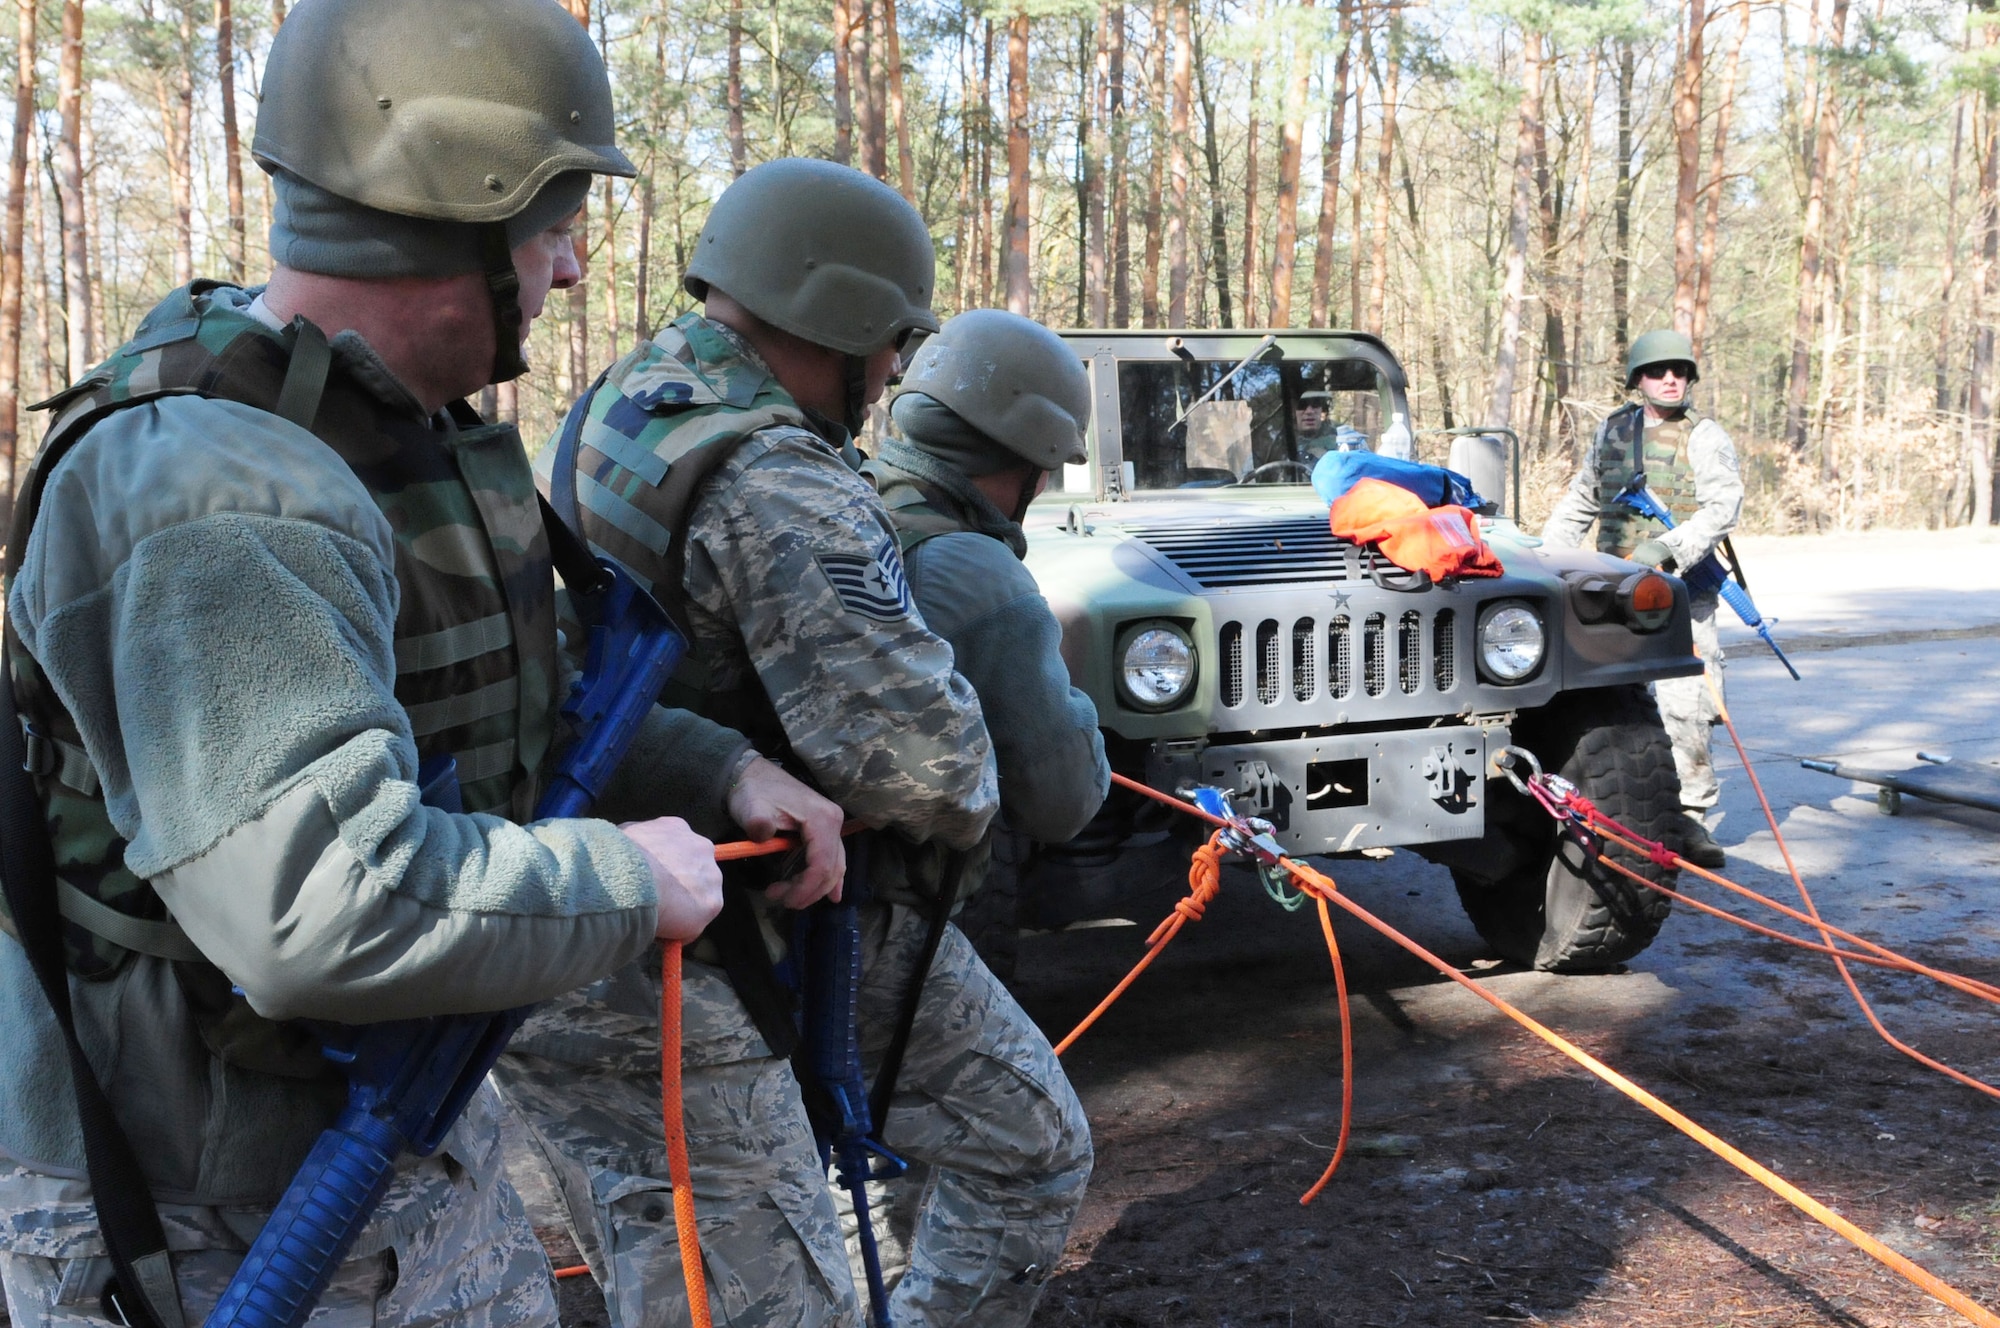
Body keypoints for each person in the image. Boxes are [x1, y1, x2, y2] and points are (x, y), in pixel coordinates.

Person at [0, 1, 739, 1324]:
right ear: (458, 213)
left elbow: (518, 699)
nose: (569, 274)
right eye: (554, 226)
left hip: (387, 1147)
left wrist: (725, 777)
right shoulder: (224, 497)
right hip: (215, 1207)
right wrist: (636, 881)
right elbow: (324, 909)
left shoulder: (378, 433)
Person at [505, 157, 1001, 1328]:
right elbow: (926, 767)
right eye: (892, 341)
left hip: (576, 910)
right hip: (689, 947)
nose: (890, 374)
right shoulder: (781, 475)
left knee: (665, 1274)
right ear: (840, 320)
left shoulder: (632, 396)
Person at [851, 308, 1109, 1323]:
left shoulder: (842, 502)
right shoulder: (977, 571)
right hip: (876, 918)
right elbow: (1065, 798)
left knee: (855, 1149)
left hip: (759, 915)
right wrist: (1068, 702)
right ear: (1017, 459)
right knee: (1033, 1144)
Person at [1541, 330, 1742, 869]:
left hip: (1680, 593)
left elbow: (1723, 507)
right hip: (1613, 593)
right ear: (1638, 380)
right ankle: (1621, 814)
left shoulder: (1704, 436)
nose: (1670, 379)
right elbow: (1584, 496)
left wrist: (1669, 547)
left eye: (1679, 370)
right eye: (1657, 371)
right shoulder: (1612, 430)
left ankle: (1691, 820)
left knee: (1687, 711)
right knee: (1612, 707)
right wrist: (1545, 558)